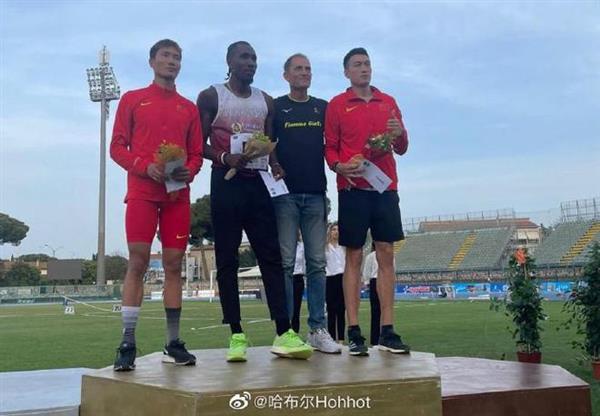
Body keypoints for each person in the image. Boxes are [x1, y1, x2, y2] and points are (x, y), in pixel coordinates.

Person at [196, 41, 312, 362]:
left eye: (254, 58)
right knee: (227, 259)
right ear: (229, 61)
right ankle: (236, 334)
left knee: (271, 258)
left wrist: (274, 163)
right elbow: (197, 143)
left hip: (259, 184)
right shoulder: (211, 96)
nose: (250, 63)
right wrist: (225, 157)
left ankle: (284, 331)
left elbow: (268, 140)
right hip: (226, 183)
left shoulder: (265, 101)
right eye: (244, 57)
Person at [110, 39, 203, 371]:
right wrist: (143, 166)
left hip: (177, 196)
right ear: (152, 61)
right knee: (137, 262)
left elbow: (196, 154)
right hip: (142, 193)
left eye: (177, 57)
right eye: (165, 56)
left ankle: (173, 342)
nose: (172, 61)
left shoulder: (188, 108)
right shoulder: (133, 99)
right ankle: (127, 343)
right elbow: (116, 147)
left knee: (174, 265)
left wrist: (189, 170)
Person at [324, 47, 410, 356]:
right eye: (358, 64)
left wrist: (399, 133)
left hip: (385, 188)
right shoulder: (337, 105)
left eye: (367, 64)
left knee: (385, 253)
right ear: (346, 72)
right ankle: (353, 330)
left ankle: (387, 329)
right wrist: (339, 166)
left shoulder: (388, 102)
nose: (364, 68)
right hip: (352, 189)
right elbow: (330, 148)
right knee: (354, 255)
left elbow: (402, 147)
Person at [272, 53, 341, 354]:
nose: (304, 73)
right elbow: (268, 144)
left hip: (315, 194)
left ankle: (318, 329)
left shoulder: (322, 107)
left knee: (317, 264)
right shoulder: (276, 107)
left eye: (308, 69)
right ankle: (286, 330)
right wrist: (274, 164)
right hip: (285, 195)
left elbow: (336, 141)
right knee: (286, 264)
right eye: (298, 69)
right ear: (286, 75)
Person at [325, 223, 345, 343]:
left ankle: (341, 339)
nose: (336, 232)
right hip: (329, 279)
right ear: (330, 232)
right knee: (331, 310)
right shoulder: (325, 248)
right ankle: (332, 338)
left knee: (341, 310)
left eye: (338, 230)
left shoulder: (343, 247)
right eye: (333, 229)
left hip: (341, 278)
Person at [291, 234, 305, 333]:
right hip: (287, 277)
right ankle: (283, 332)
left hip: (298, 278)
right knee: (286, 308)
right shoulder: (283, 244)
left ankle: (295, 332)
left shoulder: (302, 246)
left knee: (296, 309)